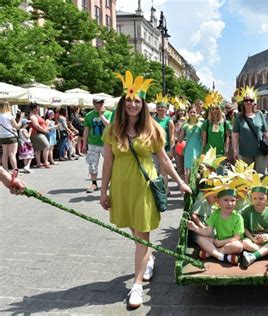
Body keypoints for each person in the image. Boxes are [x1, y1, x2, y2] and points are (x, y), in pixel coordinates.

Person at [100, 71, 191, 308]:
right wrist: (103, 190)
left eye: (137, 101)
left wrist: (180, 182)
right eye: (129, 100)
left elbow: (164, 160)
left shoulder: (152, 129)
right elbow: (108, 162)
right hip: (121, 188)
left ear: (143, 105)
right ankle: (147, 258)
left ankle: (137, 285)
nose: (132, 104)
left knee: (142, 233)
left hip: (144, 186)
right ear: (123, 103)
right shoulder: (112, 130)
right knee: (136, 232)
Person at [187, 186, 244, 266]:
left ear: (236, 202)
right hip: (217, 240)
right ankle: (221, 256)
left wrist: (220, 243)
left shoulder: (238, 217)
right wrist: (195, 228)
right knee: (198, 238)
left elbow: (236, 238)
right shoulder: (215, 214)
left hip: (229, 243)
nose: (229, 203)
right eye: (226, 200)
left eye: (233, 200)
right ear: (218, 201)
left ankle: (211, 252)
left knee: (238, 246)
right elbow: (207, 232)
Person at [232, 87, 268, 174]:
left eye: (251, 100)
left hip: (260, 151)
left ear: (254, 102)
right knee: (247, 176)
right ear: (243, 102)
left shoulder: (260, 114)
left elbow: (265, 132)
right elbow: (235, 135)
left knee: (260, 175)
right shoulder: (239, 117)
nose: (248, 102)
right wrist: (235, 150)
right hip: (245, 152)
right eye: (246, 100)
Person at [240, 185, 268, 268]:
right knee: (244, 243)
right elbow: (244, 228)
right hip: (253, 240)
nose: (257, 201)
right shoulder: (247, 211)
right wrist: (253, 239)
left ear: (267, 198)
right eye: (255, 198)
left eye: (261, 198)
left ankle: (253, 255)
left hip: (266, 239)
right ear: (251, 198)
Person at [84, 98, 112, 193]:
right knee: (92, 164)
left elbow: (109, 125)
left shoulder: (109, 114)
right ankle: (94, 183)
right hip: (93, 143)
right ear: (93, 103)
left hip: (106, 143)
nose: (100, 104)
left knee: (111, 163)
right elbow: (86, 130)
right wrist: (84, 144)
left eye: (101, 102)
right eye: (98, 102)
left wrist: (101, 114)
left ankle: (113, 182)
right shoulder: (89, 115)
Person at [154, 98, 175, 194]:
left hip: (165, 148)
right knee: (156, 170)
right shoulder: (153, 120)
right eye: (159, 107)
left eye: (162, 107)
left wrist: (171, 150)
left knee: (164, 170)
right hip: (154, 149)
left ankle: (165, 189)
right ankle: (159, 188)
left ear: (166, 109)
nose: (160, 109)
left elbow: (172, 136)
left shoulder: (169, 121)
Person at [180, 106, 203, 183]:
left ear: (197, 113)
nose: (192, 114)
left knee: (196, 170)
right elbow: (180, 140)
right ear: (188, 113)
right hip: (188, 149)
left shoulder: (201, 124)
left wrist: (203, 150)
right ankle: (187, 189)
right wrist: (178, 130)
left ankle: (195, 188)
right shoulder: (185, 125)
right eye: (191, 112)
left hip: (198, 149)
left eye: (194, 112)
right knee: (187, 171)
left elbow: (204, 139)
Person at [28, 103, 51, 168]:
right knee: (47, 146)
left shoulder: (36, 115)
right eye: (36, 107)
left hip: (39, 133)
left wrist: (45, 128)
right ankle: (45, 162)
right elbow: (36, 125)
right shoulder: (32, 116)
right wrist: (44, 130)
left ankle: (39, 163)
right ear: (33, 108)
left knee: (38, 149)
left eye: (38, 107)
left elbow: (41, 124)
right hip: (36, 133)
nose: (38, 109)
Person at [0, 101, 20, 171]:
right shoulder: (9, 115)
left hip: (2, 137)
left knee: (5, 153)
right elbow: (17, 126)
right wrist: (20, 119)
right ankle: (15, 170)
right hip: (11, 136)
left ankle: (6, 170)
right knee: (12, 154)